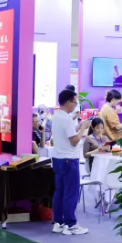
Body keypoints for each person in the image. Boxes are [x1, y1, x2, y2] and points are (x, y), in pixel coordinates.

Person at [51, 90, 93, 235]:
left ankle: (58, 222)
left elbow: (66, 134)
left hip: (58, 159)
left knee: (59, 192)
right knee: (71, 193)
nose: (75, 106)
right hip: (69, 160)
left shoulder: (57, 117)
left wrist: (78, 127)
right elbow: (74, 141)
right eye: (75, 103)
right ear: (68, 102)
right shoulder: (67, 119)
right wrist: (83, 128)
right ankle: (71, 224)